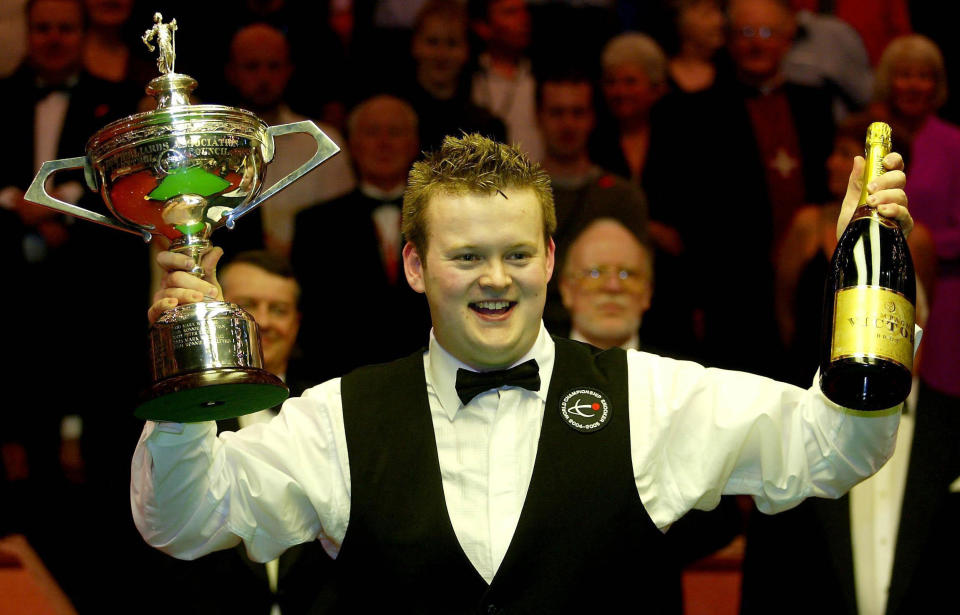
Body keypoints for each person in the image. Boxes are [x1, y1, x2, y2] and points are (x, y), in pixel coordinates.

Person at [133, 133, 911, 613]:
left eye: (514, 254)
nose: (494, 279)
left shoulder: (653, 395)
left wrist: (858, 286)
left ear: (548, 258)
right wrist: (179, 363)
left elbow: (835, 447)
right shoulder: (337, 415)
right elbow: (187, 518)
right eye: (466, 256)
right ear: (413, 265)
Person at [147, 250, 334, 615]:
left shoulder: (327, 408)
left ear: (296, 322)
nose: (263, 321)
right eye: (248, 305)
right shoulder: (184, 414)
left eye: (278, 309)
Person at [291, 95, 431, 382]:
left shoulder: (441, 218)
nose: (383, 143)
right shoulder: (314, 224)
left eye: (394, 132)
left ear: (414, 144)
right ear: (353, 145)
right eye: (371, 132)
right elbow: (313, 320)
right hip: (340, 380)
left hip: (430, 374)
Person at [224, 22, 355, 256]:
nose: (263, 77)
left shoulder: (322, 141)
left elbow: (343, 224)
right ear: (231, 72)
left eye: (274, 66)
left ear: (289, 71)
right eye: (252, 67)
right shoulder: (210, 144)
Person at [534, 72, 649, 335]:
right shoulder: (514, 196)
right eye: (557, 113)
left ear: (592, 118)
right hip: (532, 339)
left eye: (578, 113)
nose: (567, 124)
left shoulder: (622, 197)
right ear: (538, 117)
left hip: (604, 333)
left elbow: (638, 276)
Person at [397, 0, 506, 154]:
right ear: (415, 45)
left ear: (466, 50)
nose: (441, 55)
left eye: (452, 44)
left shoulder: (486, 128)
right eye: (432, 42)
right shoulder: (394, 122)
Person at [470, 0, 543, 160]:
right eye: (511, 12)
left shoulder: (542, 74)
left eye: (524, 11)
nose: (524, 19)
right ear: (483, 27)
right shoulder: (467, 78)